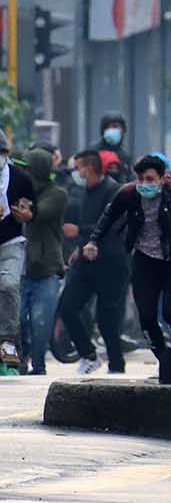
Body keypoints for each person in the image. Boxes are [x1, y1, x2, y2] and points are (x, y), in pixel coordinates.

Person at [82, 156, 171, 363]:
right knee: (146, 316)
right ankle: (164, 360)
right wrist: (93, 241)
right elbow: (109, 216)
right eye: (141, 179)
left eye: (150, 179)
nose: (145, 184)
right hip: (144, 261)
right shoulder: (128, 193)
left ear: (162, 178)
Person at [57, 150, 127, 374]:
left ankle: (117, 366)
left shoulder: (113, 190)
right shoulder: (85, 191)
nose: (76, 173)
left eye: (79, 167)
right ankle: (88, 354)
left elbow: (114, 225)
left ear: (89, 168)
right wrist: (80, 247)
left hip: (110, 263)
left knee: (107, 320)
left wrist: (81, 231)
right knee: (67, 307)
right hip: (86, 262)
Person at [19, 144, 66, 375]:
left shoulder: (57, 194)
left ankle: (38, 366)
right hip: (21, 269)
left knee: (40, 322)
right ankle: (20, 359)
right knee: (17, 320)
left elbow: (40, 213)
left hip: (46, 269)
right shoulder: (17, 191)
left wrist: (27, 211)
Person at [0, 130, 35, 373]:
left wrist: (28, 214)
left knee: (10, 285)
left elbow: (33, 207)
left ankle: (8, 340)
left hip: (11, 242)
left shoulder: (21, 178)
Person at [88, 113, 134, 180]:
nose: (111, 130)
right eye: (107, 127)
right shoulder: (92, 152)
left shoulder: (125, 156)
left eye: (115, 126)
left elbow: (129, 178)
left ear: (123, 130)